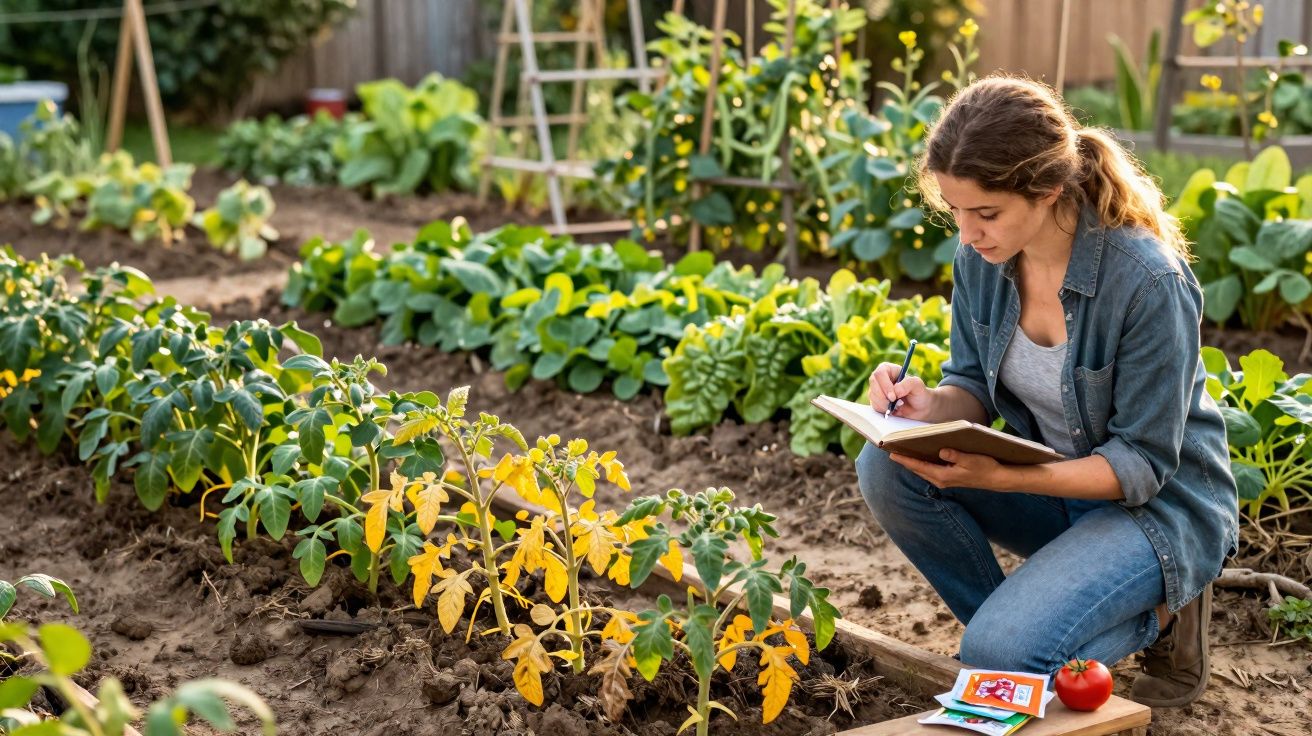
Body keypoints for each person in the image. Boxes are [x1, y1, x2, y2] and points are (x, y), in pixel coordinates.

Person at [856, 75, 1238, 708]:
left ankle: (1167, 611)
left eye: (986, 213)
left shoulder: (1147, 283)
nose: (967, 233)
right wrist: (928, 406)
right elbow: (971, 384)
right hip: (1060, 492)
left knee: (1001, 658)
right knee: (888, 466)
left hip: (1157, 510)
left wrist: (1005, 480)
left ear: (1049, 190)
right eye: (955, 210)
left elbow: (1141, 466)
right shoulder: (981, 257)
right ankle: (1020, 643)